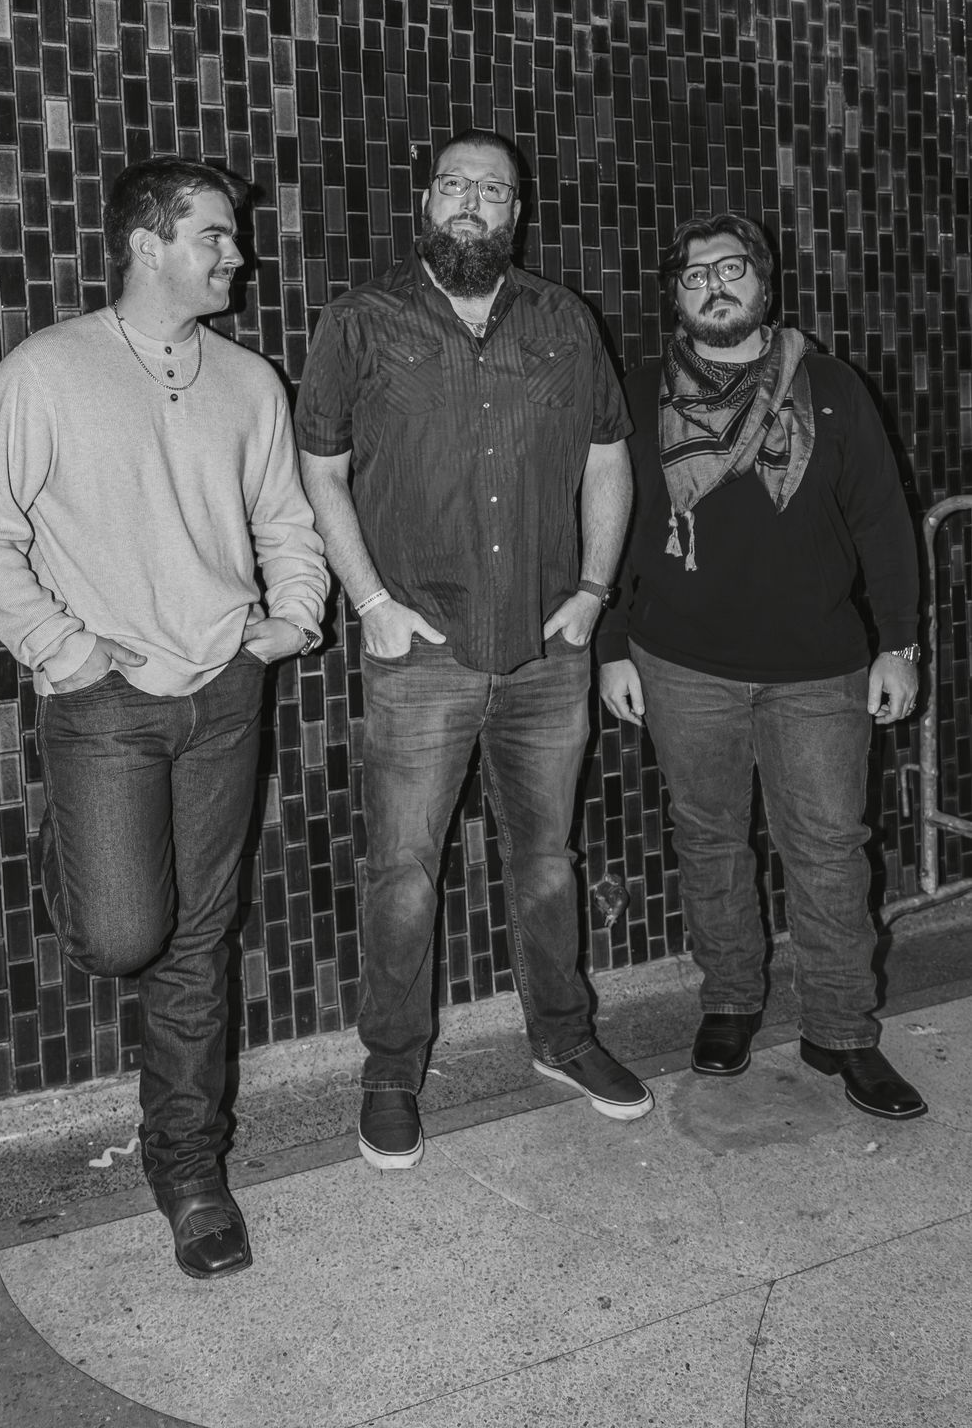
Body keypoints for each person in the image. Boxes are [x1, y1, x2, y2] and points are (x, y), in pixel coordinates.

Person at [0, 157, 328, 1277]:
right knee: (120, 937)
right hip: (105, 704)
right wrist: (63, 649)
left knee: (199, 941)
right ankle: (82, 838)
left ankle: (190, 1172)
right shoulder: (50, 370)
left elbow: (285, 520)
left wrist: (291, 619)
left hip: (227, 690)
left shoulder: (248, 381)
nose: (237, 254)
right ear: (148, 245)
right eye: (215, 236)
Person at [295, 127, 653, 1172]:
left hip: (548, 648)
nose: (470, 203)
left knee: (547, 861)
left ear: (516, 213)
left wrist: (592, 593)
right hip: (420, 650)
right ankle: (391, 1069)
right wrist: (368, 599)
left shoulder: (563, 319)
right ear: (425, 203)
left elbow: (608, 459)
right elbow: (319, 470)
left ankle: (563, 1036)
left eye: (491, 191)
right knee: (403, 871)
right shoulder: (359, 322)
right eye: (453, 185)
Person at [597, 211, 926, 1120]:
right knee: (708, 839)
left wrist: (899, 643)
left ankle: (843, 1031)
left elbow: (883, 521)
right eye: (694, 274)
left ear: (764, 281)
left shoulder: (830, 386)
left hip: (819, 667)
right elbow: (609, 525)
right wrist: (611, 646)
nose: (714, 285)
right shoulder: (638, 394)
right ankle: (732, 1001)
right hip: (679, 663)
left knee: (829, 851)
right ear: (676, 298)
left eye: (730, 267)